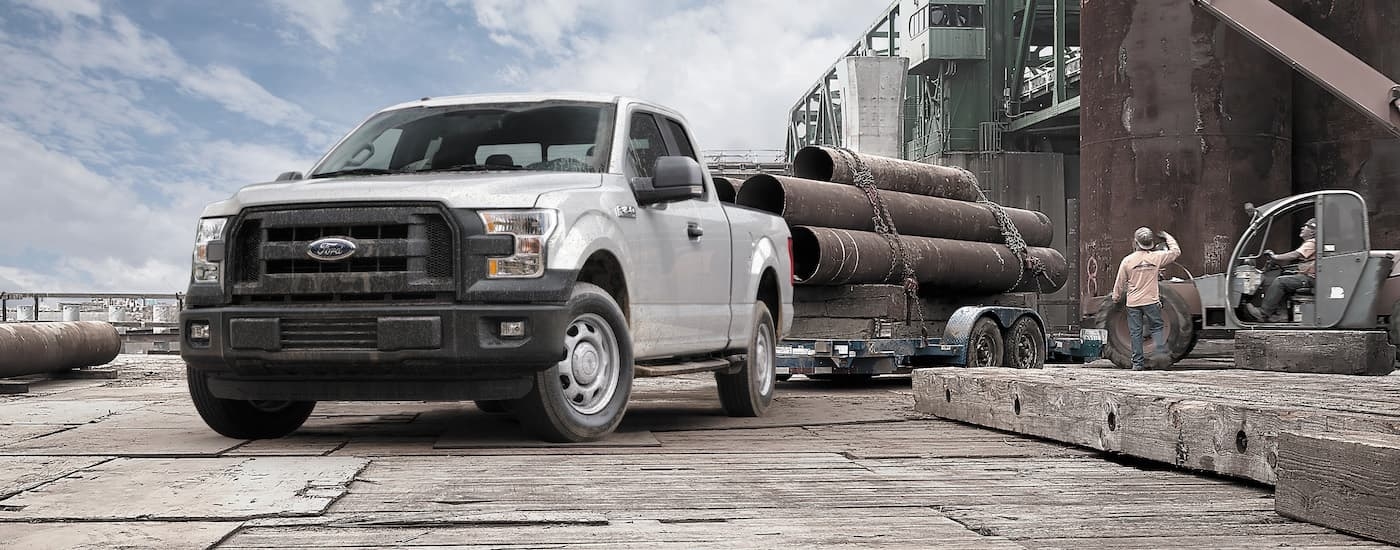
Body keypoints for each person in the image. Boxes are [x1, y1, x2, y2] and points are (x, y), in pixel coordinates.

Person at [1110, 227, 1181, 371]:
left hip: (1133, 303)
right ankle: (1161, 358)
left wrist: (1116, 297)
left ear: (1135, 242)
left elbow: (1120, 282)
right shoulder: (1156, 257)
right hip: (1151, 302)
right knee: (1157, 328)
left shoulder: (1127, 261)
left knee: (1136, 333)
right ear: (1150, 244)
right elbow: (1175, 252)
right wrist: (1168, 237)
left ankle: (1137, 364)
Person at [1245, 218, 1317, 323]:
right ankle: (1281, 315)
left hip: (1310, 278)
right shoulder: (1310, 243)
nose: (1302, 228)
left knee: (1280, 282)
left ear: (1312, 231)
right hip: (1307, 276)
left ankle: (1263, 313)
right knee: (1278, 279)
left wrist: (1276, 257)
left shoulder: (1312, 242)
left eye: (1306, 226)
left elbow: (1295, 254)